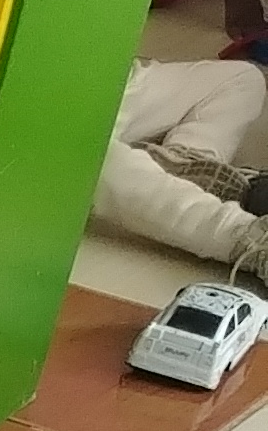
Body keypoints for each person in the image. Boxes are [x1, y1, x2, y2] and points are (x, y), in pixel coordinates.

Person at [89, 55, 268, 275]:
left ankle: (187, 170)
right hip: (56, 118)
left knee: (243, 78)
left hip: (104, 82)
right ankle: (250, 240)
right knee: (87, 159)